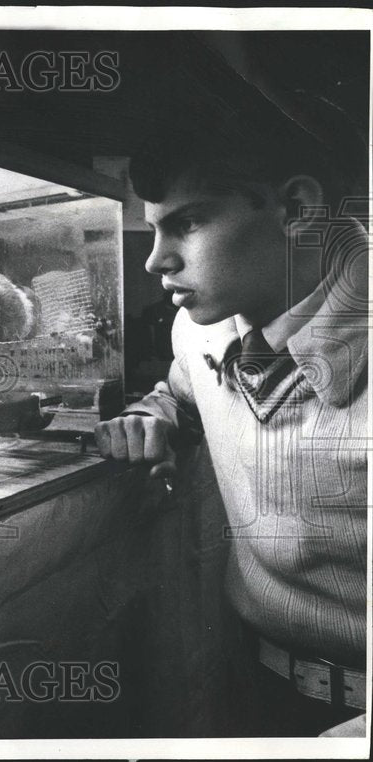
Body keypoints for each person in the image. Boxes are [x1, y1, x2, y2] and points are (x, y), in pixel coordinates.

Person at [95, 99, 368, 736]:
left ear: (297, 208)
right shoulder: (200, 329)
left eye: (186, 223)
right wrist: (154, 413)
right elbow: (183, 392)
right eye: (154, 228)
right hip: (255, 677)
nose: (153, 260)